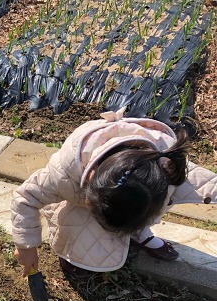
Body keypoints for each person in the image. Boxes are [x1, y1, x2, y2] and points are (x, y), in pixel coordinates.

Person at [11, 107, 217, 277]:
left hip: (129, 194)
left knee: (152, 201)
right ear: (91, 179)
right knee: (80, 223)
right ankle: (71, 252)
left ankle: (138, 230)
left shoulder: (164, 161)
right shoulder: (63, 174)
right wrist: (26, 247)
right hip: (77, 203)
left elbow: (201, 182)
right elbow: (25, 198)